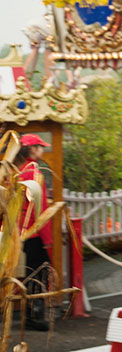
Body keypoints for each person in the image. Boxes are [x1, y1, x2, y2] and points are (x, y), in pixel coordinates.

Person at [16, 133, 54, 331]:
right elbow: (41, 210)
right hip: (34, 233)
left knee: (25, 273)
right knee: (39, 274)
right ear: (32, 149)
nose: (43, 150)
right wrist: (48, 239)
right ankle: (35, 316)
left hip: (17, 233)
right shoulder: (34, 174)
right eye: (40, 146)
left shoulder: (16, 171)